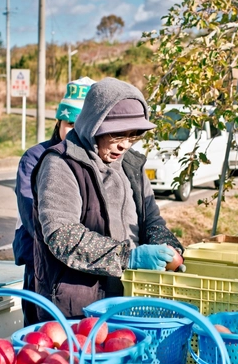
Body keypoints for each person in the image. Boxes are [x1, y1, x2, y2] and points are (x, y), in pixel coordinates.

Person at [31, 77, 184, 320]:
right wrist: (128, 257)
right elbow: (62, 235)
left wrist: (169, 248)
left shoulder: (132, 165)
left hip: (129, 300)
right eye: (116, 135)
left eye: (133, 136)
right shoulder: (61, 164)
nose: (124, 145)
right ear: (94, 124)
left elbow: (152, 220)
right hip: (78, 309)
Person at [12, 77, 95, 326]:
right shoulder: (35, 158)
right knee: (39, 336)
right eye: (70, 123)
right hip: (41, 264)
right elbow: (32, 216)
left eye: (82, 124)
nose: (74, 131)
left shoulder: (96, 162)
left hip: (86, 267)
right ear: (59, 121)